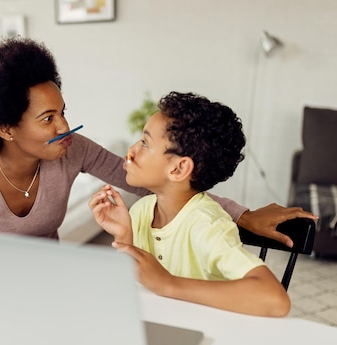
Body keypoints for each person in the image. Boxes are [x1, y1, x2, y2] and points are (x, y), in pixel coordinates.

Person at [0, 37, 314, 248]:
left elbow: (152, 185)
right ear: (6, 129)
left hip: (51, 283)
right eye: (48, 118)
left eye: (63, 110)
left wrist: (244, 213)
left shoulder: (72, 151)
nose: (65, 125)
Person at [89, 92, 290, 317]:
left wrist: (168, 283)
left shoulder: (207, 224)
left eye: (145, 143)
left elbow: (276, 300)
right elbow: (132, 290)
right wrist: (123, 237)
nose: (132, 151)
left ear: (178, 169)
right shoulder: (142, 210)